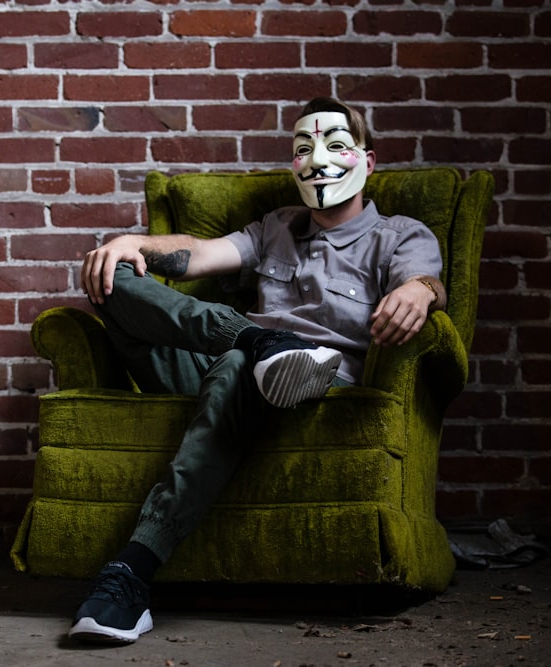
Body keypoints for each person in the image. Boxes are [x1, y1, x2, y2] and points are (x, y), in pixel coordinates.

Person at [67, 97, 447, 643]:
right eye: (303, 149)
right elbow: (197, 254)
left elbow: (428, 282)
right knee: (113, 282)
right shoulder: (276, 227)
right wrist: (133, 244)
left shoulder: (399, 234)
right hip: (231, 356)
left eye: (336, 146)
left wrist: (420, 290)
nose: (318, 160)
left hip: (311, 382)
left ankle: (131, 572)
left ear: (367, 160)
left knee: (236, 368)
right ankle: (256, 339)